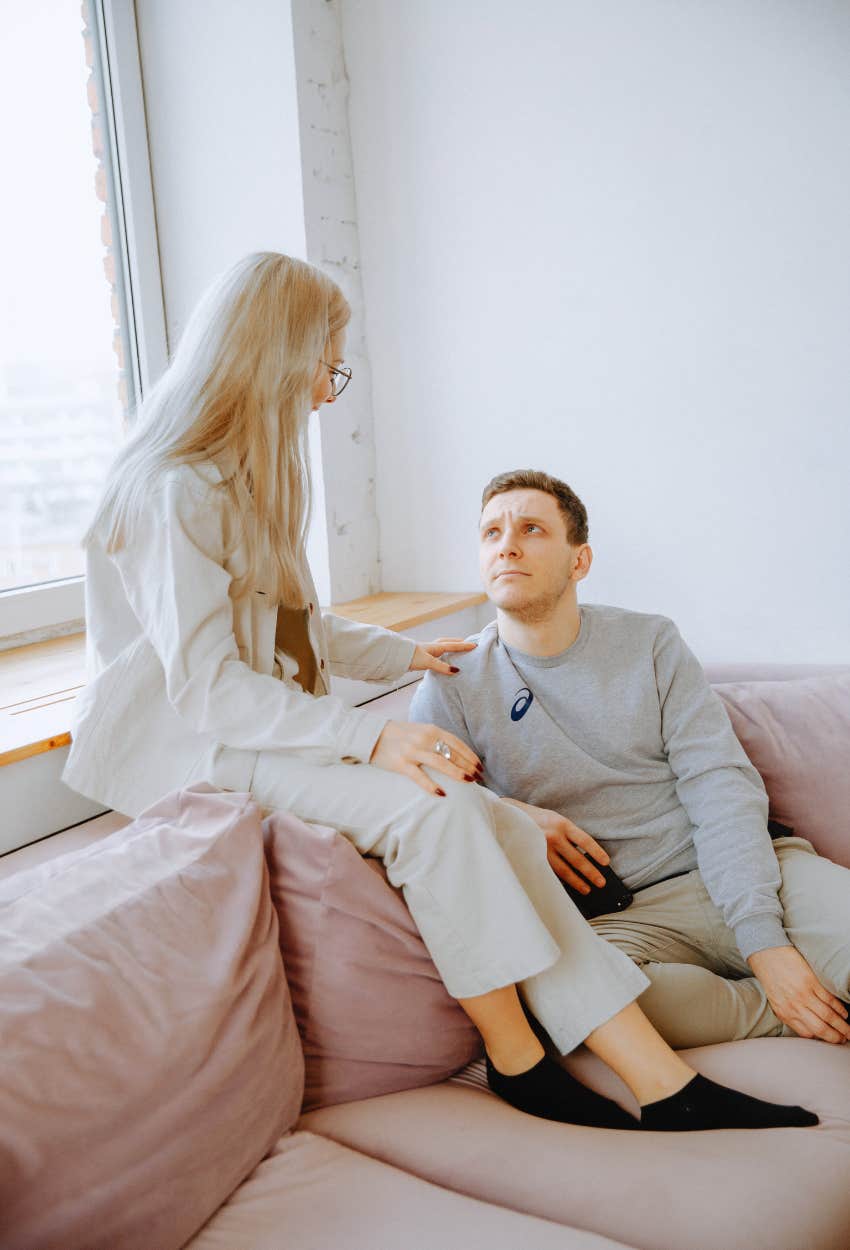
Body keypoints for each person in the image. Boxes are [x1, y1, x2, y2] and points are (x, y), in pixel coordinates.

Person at [64, 253, 818, 1133]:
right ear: (276, 355)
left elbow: (289, 629)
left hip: (249, 723)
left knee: (491, 821)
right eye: (328, 363)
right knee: (436, 812)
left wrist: (404, 655)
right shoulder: (173, 491)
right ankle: (521, 1059)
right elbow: (206, 688)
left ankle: (655, 1081)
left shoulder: (245, 487)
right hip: (197, 745)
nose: (329, 391)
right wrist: (375, 739)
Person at [409, 468, 850, 1054]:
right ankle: (804, 1007)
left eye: (532, 528)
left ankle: (798, 978)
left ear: (579, 561)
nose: (506, 544)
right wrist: (511, 814)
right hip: (622, 918)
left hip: (747, 874)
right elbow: (425, 804)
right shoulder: (451, 681)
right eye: (491, 532)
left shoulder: (649, 642)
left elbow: (719, 785)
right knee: (577, 1005)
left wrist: (763, 940)